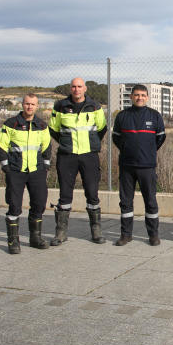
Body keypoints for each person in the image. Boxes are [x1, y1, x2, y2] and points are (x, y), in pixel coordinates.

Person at [48, 77, 107, 245]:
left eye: (79, 86)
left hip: (89, 155)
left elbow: (101, 129)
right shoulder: (60, 106)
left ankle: (96, 231)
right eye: (74, 86)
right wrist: (67, 143)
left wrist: (92, 144)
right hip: (67, 156)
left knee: (92, 193)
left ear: (85, 88)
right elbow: (53, 129)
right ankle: (60, 233)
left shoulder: (95, 106)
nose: (76, 89)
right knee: (65, 194)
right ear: (70, 88)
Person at [0, 93, 52, 254]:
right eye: (27, 104)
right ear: (22, 105)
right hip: (16, 171)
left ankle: (35, 238)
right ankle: (13, 241)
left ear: (37, 106)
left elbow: (47, 147)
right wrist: (6, 166)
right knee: (14, 206)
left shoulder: (42, 125)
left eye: (33, 104)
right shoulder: (11, 124)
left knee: (39, 204)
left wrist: (45, 166)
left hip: (36, 171)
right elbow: (0, 146)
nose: (29, 107)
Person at [112, 85, 166, 246]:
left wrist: (147, 151)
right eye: (136, 95)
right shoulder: (122, 116)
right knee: (126, 201)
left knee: (150, 201)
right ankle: (126, 235)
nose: (139, 97)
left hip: (147, 166)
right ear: (131, 97)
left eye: (143, 95)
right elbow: (116, 138)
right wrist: (129, 149)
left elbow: (160, 138)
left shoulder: (155, 116)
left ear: (147, 97)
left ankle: (153, 235)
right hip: (126, 166)